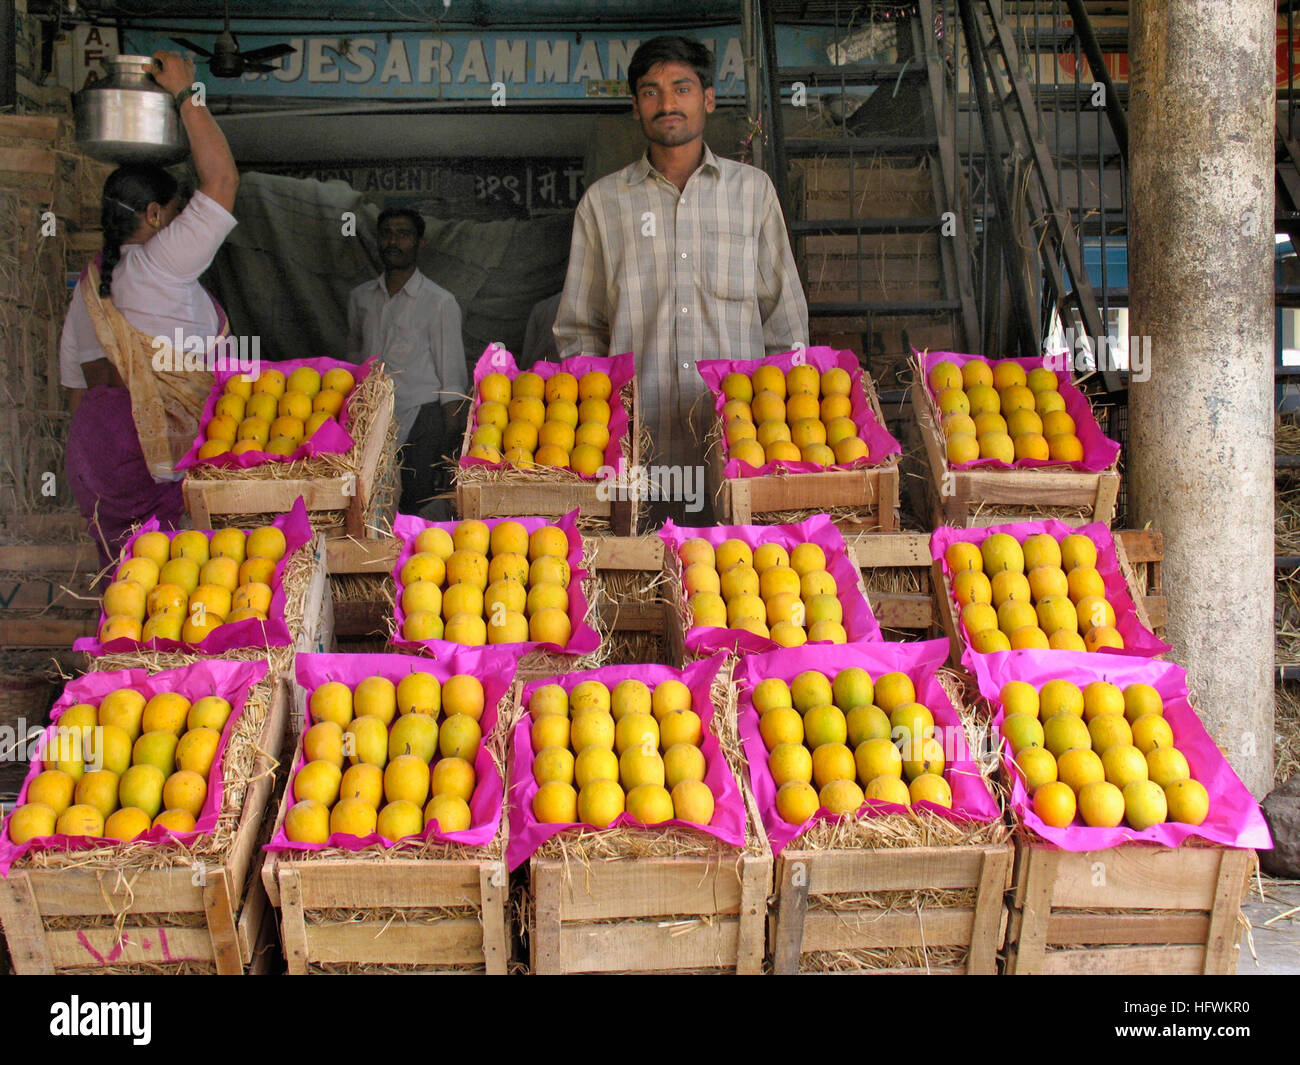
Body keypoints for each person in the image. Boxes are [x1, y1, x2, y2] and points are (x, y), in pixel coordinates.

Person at [552, 35, 809, 494]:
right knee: (638, 565)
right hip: (635, 456)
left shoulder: (752, 193)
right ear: (635, 106)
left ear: (708, 99)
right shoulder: (604, 204)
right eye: (651, 91)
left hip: (740, 452)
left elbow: (784, 322)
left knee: (736, 566)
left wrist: (780, 429)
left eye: (682, 88)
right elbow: (579, 330)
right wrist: (599, 433)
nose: (667, 102)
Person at [60, 51, 239, 567]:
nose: (186, 222)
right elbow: (222, 182)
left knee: (125, 581)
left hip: (98, 451)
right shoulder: (163, 260)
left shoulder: (92, 284)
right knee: (174, 579)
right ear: (157, 214)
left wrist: (96, 466)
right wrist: (186, 94)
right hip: (153, 450)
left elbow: (78, 390)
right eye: (180, 213)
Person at [346, 207, 468, 515]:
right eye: (387, 234)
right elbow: (351, 363)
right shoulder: (360, 298)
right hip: (369, 420)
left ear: (419, 243)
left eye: (403, 235)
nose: (393, 242)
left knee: (413, 506)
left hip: (422, 421)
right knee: (366, 504)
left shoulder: (440, 302)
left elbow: (452, 379)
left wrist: (448, 447)